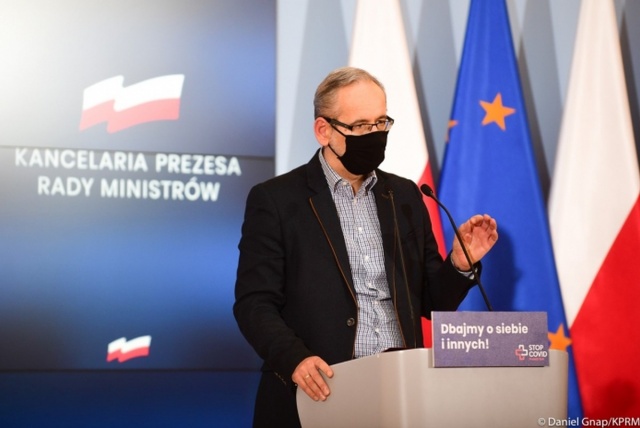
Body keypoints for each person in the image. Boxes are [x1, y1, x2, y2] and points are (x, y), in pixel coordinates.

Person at [233, 66, 498, 427]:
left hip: (401, 393)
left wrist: (460, 263)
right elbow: (254, 303)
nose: (374, 135)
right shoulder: (277, 200)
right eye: (360, 126)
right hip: (319, 391)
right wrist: (295, 359)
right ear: (323, 130)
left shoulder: (404, 196)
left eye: (380, 123)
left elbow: (433, 301)